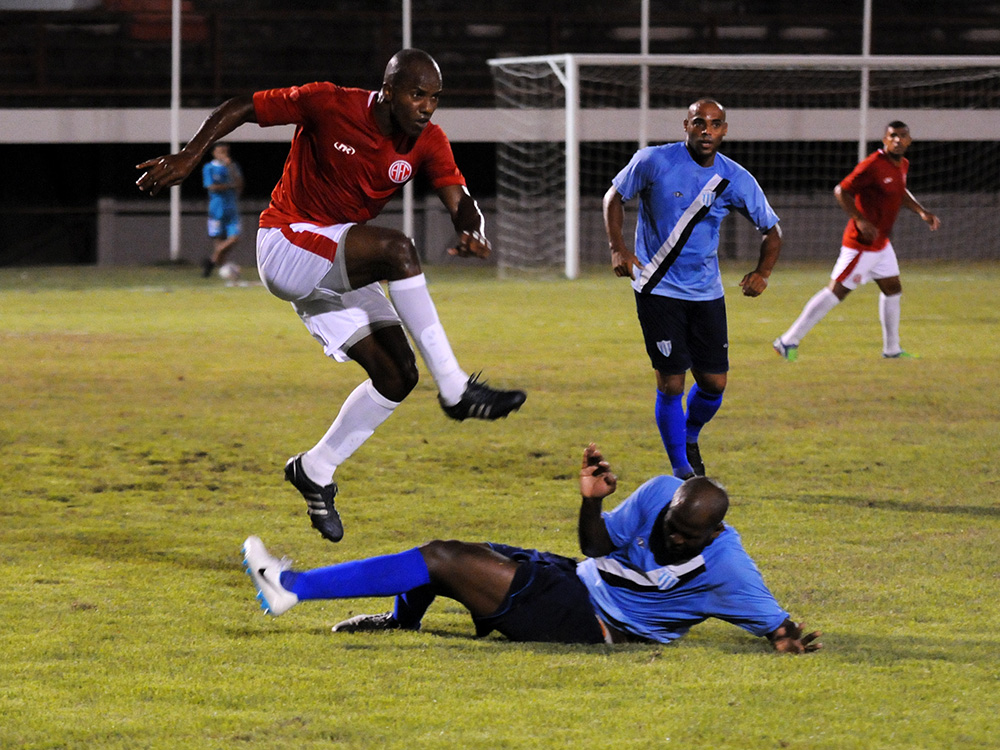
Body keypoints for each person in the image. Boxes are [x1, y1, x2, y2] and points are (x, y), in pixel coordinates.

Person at [136, 49, 526, 543]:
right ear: (388, 91)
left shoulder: (428, 140)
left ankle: (315, 469)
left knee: (398, 374)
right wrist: (190, 155)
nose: (427, 107)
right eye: (417, 94)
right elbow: (242, 106)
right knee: (399, 250)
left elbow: (461, 200)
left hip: (333, 259)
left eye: (434, 98)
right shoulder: (329, 103)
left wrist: (475, 231)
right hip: (285, 241)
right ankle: (454, 389)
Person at [242, 443, 821, 653]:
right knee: (455, 550)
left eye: (683, 537)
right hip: (576, 577)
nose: (671, 537)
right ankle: (401, 625)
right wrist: (592, 500)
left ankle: (291, 588)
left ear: (711, 534)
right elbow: (598, 546)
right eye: (670, 525)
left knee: (445, 559)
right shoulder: (663, 494)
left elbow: (775, 622)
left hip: (594, 622)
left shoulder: (728, 566)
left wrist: (785, 637)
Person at [603, 99, 782, 480]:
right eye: (700, 122)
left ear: (724, 130)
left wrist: (762, 272)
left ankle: (689, 435)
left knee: (714, 384)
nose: (707, 130)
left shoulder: (734, 178)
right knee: (671, 381)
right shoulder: (653, 161)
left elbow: (772, 229)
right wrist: (619, 247)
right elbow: (614, 197)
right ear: (686, 124)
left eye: (715, 124)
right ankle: (682, 470)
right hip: (657, 286)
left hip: (705, 291)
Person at [773, 121, 941, 361]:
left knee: (893, 289)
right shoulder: (873, 164)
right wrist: (860, 220)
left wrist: (922, 212)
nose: (897, 140)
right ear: (884, 139)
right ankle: (787, 341)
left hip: (881, 244)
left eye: (902, 136)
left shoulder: (902, 164)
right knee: (836, 292)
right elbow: (841, 190)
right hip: (862, 244)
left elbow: (900, 190)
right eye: (892, 136)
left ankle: (892, 349)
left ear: (909, 141)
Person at [201, 142, 244, 279]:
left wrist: (230, 166)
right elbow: (211, 187)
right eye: (221, 151)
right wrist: (230, 186)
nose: (224, 154)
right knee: (218, 241)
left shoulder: (232, 167)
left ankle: (211, 261)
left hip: (231, 207)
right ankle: (225, 272)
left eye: (226, 151)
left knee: (234, 238)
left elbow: (240, 184)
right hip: (216, 208)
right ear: (214, 153)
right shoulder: (209, 167)